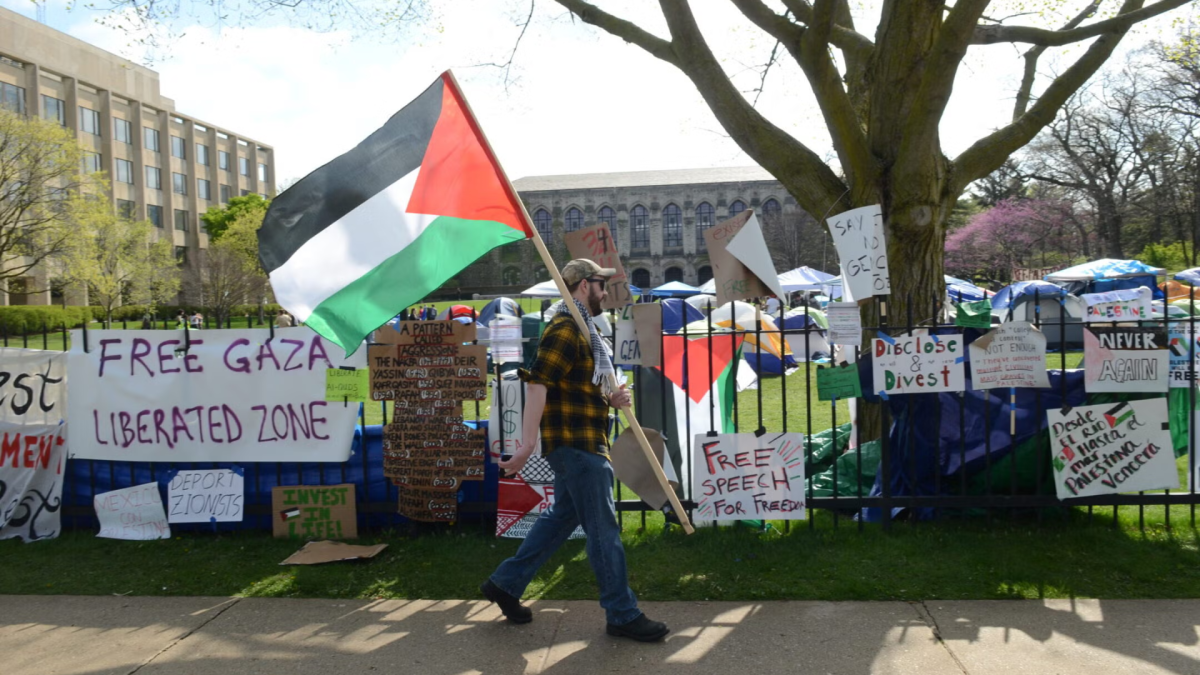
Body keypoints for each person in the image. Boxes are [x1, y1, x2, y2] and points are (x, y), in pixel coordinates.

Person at [481, 259, 669, 642]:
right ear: (585, 285)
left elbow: (577, 387)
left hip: (583, 440)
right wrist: (525, 446)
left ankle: (505, 584)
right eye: (602, 284)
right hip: (576, 446)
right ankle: (621, 613)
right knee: (604, 531)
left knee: (561, 519)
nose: (606, 291)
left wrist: (611, 399)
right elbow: (537, 385)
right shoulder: (565, 329)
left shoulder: (584, 329)